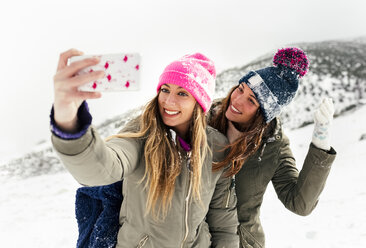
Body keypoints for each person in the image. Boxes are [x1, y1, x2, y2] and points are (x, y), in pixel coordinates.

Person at [50, 49, 239, 248]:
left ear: (199, 103)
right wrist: (69, 120)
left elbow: (223, 217)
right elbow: (104, 167)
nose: (169, 101)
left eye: (182, 93)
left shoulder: (217, 146)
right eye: (165, 89)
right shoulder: (142, 133)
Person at [208, 47, 337, 248]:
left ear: (264, 114)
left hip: (242, 242)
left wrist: (321, 140)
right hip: (195, 237)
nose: (238, 100)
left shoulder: (273, 145)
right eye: (240, 88)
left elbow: (299, 202)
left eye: (251, 100)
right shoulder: (203, 121)